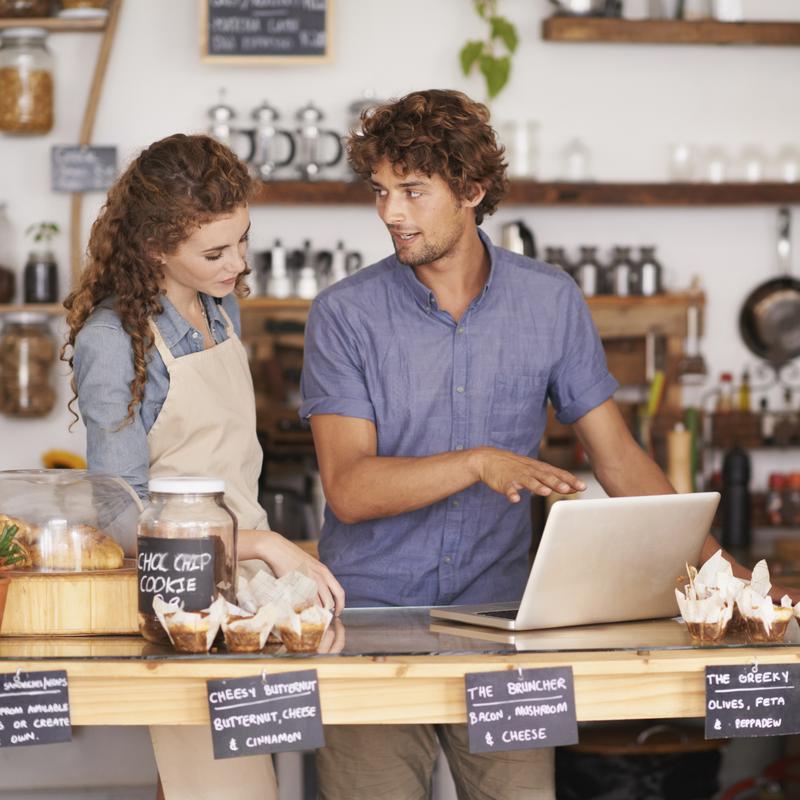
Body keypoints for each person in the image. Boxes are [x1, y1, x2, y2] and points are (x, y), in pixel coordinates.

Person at [299, 90, 789, 800]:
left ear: (472, 190)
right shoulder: (344, 314)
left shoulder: (550, 300)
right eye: (380, 191)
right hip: (367, 625)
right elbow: (349, 488)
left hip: (507, 626)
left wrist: (734, 582)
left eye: (412, 191)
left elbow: (619, 461)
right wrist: (478, 462)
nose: (390, 213)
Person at [62, 133, 344, 800]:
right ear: (154, 247)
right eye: (215, 253)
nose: (237, 264)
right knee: (224, 789)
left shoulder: (221, 307)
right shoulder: (116, 341)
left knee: (235, 784)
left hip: (244, 593)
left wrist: (261, 558)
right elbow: (121, 518)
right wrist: (264, 543)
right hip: (182, 598)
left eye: (242, 242)